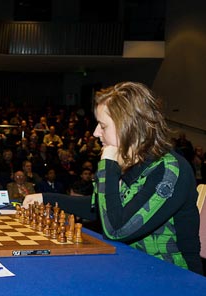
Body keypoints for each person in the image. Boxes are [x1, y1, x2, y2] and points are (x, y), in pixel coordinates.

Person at [23, 82, 202, 274]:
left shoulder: (169, 170)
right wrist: (46, 198)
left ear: (129, 127)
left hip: (175, 276)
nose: (95, 133)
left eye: (102, 126)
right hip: (133, 266)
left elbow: (117, 229)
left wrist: (108, 164)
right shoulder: (128, 162)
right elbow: (99, 208)